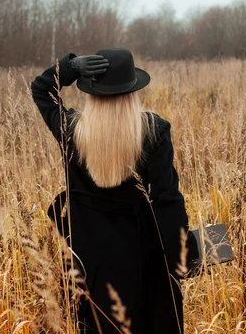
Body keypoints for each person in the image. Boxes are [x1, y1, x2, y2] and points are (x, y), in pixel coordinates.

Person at [31, 48, 199, 333]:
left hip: (92, 273)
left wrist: (70, 68)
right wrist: (186, 259)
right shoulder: (153, 131)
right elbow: (167, 204)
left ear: (91, 90)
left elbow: (41, 89)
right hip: (146, 271)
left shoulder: (72, 131)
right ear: (134, 89)